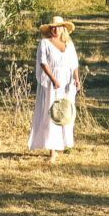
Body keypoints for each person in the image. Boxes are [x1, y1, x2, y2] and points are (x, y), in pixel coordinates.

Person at [27, 14, 81, 162]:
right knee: (52, 113)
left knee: (65, 112)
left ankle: (62, 144)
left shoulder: (69, 45)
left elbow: (74, 64)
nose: (55, 30)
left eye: (57, 27)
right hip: (53, 82)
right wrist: (53, 79)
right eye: (52, 27)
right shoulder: (44, 43)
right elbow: (43, 63)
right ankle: (52, 151)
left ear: (63, 29)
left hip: (67, 82)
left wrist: (77, 79)